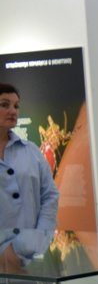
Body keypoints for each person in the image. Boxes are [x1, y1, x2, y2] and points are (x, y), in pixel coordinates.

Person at [0, 82, 58, 234]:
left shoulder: (31, 151)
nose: (13, 111)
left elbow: (50, 195)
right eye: (4, 105)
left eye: (16, 106)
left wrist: (40, 235)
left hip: (27, 245)